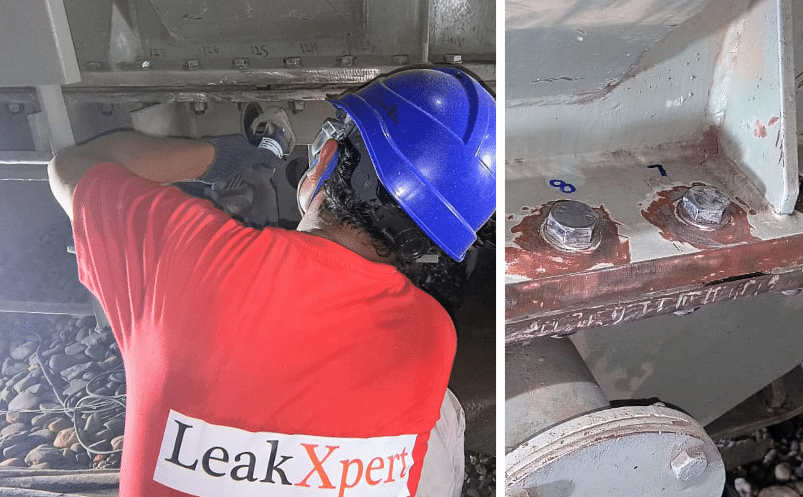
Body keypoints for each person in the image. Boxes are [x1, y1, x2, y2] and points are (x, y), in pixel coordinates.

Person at [47, 66, 496, 497]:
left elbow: (72, 165)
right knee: (443, 414)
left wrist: (237, 157)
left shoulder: (186, 254)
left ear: (325, 157)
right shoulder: (435, 333)